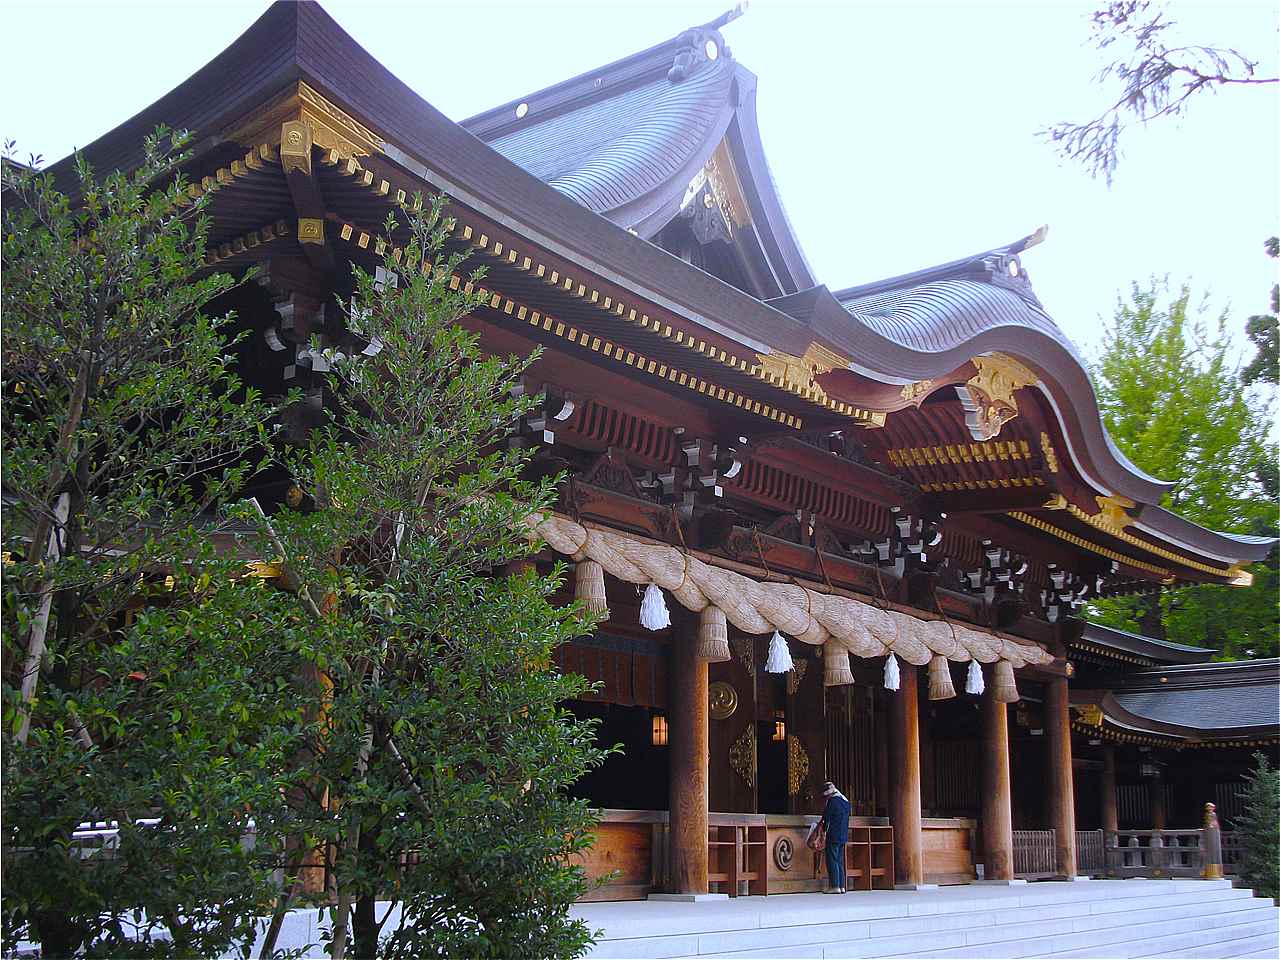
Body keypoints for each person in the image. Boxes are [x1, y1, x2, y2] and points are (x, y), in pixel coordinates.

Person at [820, 780, 851, 894]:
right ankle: (842, 886)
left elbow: (826, 818)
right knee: (839, 860)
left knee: (832, 860)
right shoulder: (845, 802)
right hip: (843, 834)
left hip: (833, 834)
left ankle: (834, 886)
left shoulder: (833, 802)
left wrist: (823, 831)